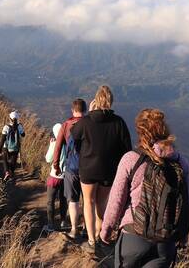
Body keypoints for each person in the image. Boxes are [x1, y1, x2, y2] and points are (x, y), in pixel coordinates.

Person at [100, 109, 189, 268]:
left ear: (141, 132)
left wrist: (106, 231)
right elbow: (184, 203)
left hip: (133, 237)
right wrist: (183, 235)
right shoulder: (180, 163)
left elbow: (116, 201)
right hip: (166, 242)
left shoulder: (131, 159)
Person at [71, 85, 132, 254]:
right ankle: (99, 236)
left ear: (95, 101)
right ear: (111, 101)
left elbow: (73, 136)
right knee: (101, 204)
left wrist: (90, 113)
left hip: (88, 169)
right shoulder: (119, 123)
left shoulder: (85, 121)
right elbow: (127, 149)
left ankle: (91, 241)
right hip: (109, 171)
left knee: (88, 203)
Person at [52, 98, 87, 240]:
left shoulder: (66, 125)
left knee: (73, 199)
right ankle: (86, 227)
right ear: (85, 110)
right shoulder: (89, 124)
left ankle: (74, 229)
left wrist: (56, 165)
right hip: (88, 167)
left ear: (73, 110)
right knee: (88, 199)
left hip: (71, 168)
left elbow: (58, 147)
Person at [43, 123, 67, 234]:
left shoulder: (54, 144)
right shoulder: (69, 143)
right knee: (63, 200)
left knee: (50, 201)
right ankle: (63, 222)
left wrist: (50, 145)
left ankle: (51, 224)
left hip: (54, 176)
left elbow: (48, 159)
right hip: (66, 177)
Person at [1, 111, 25, 181]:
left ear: (10, 119)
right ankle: (11, 174)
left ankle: (7, 172)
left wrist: (0, 150)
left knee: (5, 159)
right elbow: (23, 135)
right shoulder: (19, 126)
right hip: (16, 147)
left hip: (6, 147)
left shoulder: (6, 127)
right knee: (13, 161)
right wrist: (20, 130)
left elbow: (3, 139)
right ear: (17, 119)